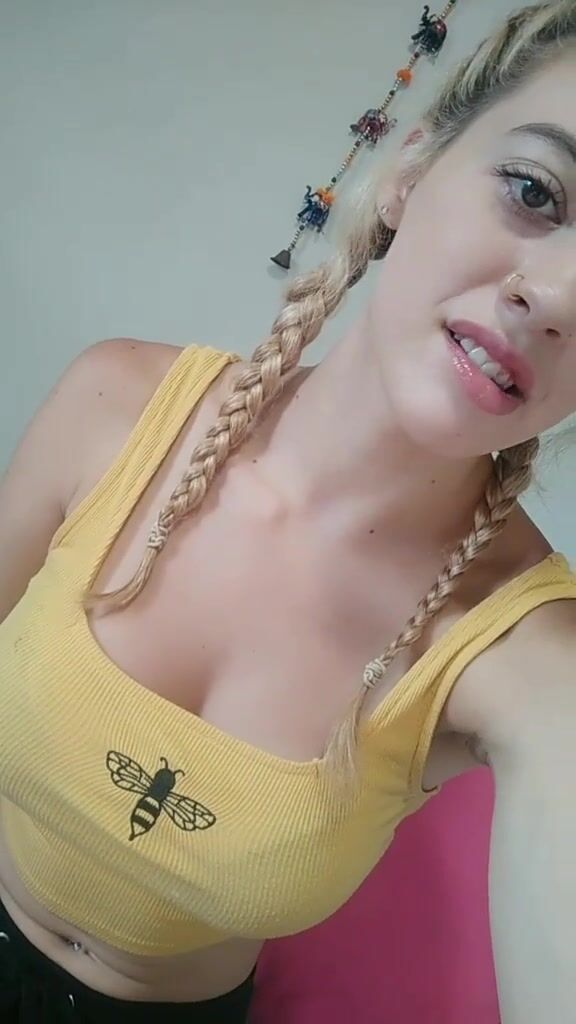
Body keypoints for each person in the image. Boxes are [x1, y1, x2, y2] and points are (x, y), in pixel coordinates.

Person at [1, 1, 576, 1021]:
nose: (562, 295)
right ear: (410, 172)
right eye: (536, 191)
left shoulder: (525, 647)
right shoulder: (114, 403)